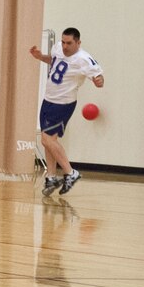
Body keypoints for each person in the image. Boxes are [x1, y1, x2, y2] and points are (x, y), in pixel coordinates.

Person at [29, 27, 104, 196]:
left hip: (63, 103)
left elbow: (98, 76)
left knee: (47, 140)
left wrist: (98, 81)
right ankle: (52, 176)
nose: (64, 46)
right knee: (49, 140)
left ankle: (70, 172)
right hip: (48, 99)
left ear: (78, 43)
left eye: (69, 43)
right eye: (63, 42)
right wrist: (40, 57)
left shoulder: (84, 59)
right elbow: (54, 61)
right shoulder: (57, 48)